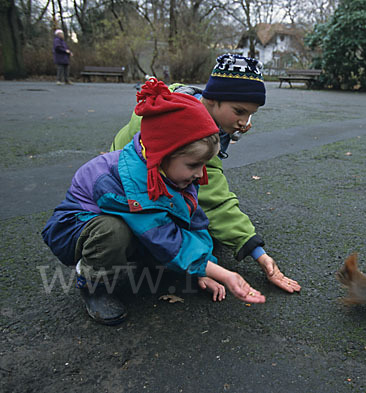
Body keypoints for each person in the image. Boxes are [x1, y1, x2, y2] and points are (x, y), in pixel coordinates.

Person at [42, 78, 266, 325]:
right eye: (193, 165)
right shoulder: (134, 181)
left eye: (204, 165)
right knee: (113, 232)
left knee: (171, 224)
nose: (200, 174)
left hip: (136, 219)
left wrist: (204, 266)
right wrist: (222, 273)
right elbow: (161, 234)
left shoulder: (173, 173)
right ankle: (94, 284)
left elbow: (195, 223)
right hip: (76, 228)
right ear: (161, 156)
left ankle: (138, 259)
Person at [111, 54, 301, 295]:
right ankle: (95, 283)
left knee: (200, 226)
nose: (245, 123)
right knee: (129, 237)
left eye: (251, 115)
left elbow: (205, 188)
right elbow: (213, 197)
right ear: (212, 100)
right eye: (239, 111)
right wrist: (256, 251)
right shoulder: (183, 128)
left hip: (157, 183)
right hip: (126, 191)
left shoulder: (199, 112)